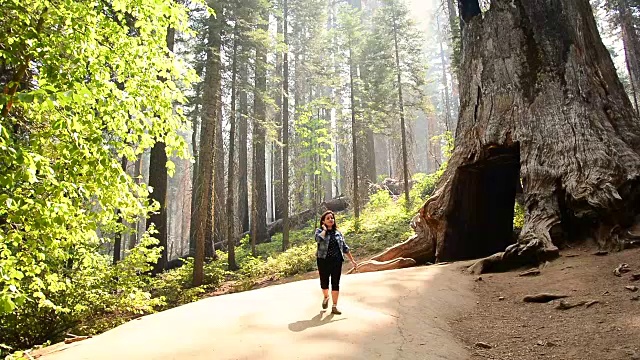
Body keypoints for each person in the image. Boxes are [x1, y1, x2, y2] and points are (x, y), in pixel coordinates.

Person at [315, 210, 357, 315]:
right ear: (323, 221)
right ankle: (326, 297)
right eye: (328, 218)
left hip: (336, 261)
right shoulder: (319, 231)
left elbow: (344, 247)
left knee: (335, 283)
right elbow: (318, 240)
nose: (331, 219)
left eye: (332, 218)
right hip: (323, 261)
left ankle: (334, 306)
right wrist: (324, 230)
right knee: (324, 283)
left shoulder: (338, 233)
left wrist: (352, 260)